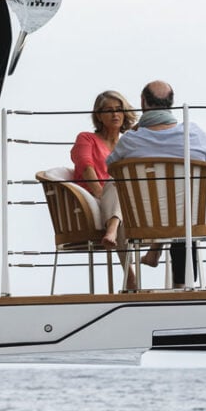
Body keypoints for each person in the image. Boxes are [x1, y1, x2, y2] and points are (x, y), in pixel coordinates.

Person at [105, 80, 206, 288]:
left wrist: (139, 133)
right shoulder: (192, 134)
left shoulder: (130, 141)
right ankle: (183, 285)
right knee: (184, 213)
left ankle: (158, 255)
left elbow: (110, 168)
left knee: (173, 212)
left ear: (143, 103)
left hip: (144, 221)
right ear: (171, 103)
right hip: (191, 221)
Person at [70, 90, 138, 289]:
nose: (115, 114)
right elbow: (85, 164)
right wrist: (99, 191)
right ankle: (131, 274)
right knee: (115, 181)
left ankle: (112, 231)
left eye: (119, 110)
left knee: (120, 189)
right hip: (92, 197)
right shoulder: (86, 138)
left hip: (119, 201)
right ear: (99, 115)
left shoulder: (128, 142)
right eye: (109, 111)